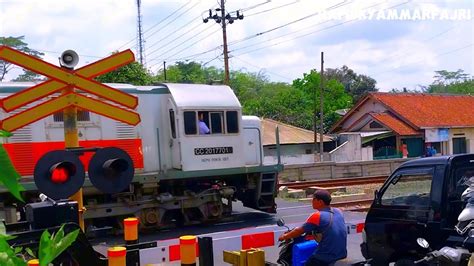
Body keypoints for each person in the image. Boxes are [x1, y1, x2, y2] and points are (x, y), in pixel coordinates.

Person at [278, 189, 347, 266]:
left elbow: (299, 231)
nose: (312, 201)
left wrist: (284, 236)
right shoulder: (338, 211)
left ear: (320, 202)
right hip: (341, 253)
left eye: (314, 199)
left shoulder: (317, 215)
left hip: (325, 257)